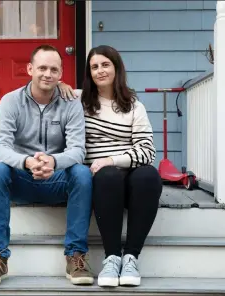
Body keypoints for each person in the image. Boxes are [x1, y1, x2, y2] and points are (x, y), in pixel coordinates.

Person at [0, 45, 94, 286]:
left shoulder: (71, 102)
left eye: (54, 69)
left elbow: (77, 150)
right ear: (30, 69)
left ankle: (75, 256)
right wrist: (27, 162)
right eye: (42, 68)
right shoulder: (11, 101)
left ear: (61, 74)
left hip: (56, 178)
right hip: (22, 178)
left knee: (82, 173)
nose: (47, 74)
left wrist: (53, 161)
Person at [80, 45, 163, 287]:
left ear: (117, 68)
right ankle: (112, 257)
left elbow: (147, 151)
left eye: (105, 65)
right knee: (108, 176)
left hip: (131, 177)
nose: (100, 71)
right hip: (103, 181)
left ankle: (131, 258)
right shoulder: (80, 102)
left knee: (148, 176)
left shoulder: (134, 105)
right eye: (94, 67)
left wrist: (111, 159)